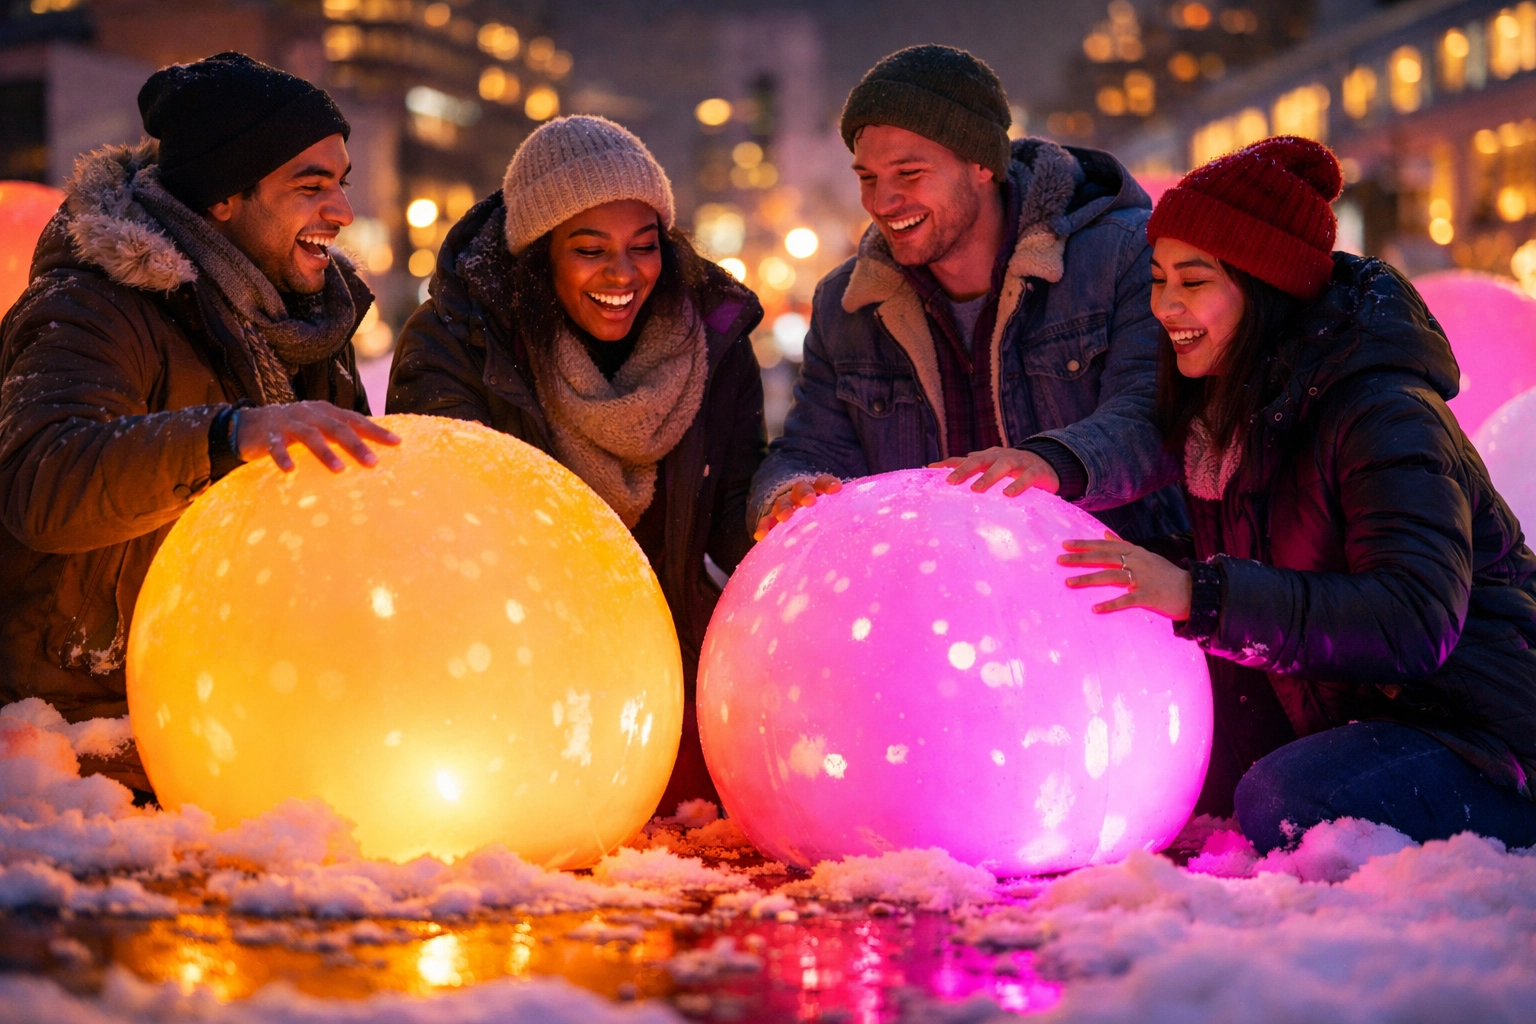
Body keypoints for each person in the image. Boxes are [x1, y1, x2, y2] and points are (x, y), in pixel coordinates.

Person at [1059, 136, 1536, 853]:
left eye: (1194, 281)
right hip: (1368, 708)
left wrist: (1200, 595)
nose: (1166, 307)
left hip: (1486, 732)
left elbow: (1413, 617)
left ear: (1266, 288)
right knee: (1175, 762)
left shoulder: (1382, 411)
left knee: (1284, 797)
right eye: (1157, 281)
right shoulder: (1231, 412)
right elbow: (1280, 550)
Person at [0, 52, 398, 794]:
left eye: (341, 183)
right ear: (222, 197)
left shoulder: (310, 326)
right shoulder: (90, 306)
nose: (341, 211)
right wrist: (228, 435)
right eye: (310, 187)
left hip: (242, 720)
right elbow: (42, 481)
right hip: (82, 741)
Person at [388, 116, 765, 815]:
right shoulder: (458, 346)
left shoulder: (712, 346)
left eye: (644, 247)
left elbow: (736, 515)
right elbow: (439, 532)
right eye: (590, 250)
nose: (623, 274)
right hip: (500, 697)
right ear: (538, 255)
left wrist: (786, 511)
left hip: (670, 698)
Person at [750, 44, 1184, 542]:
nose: (882, 201)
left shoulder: (1119, 256)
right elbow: (808, 449)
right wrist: (790, 490)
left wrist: (1049, 462)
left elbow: (1157, 415)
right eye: (868, 178)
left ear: (982, 164)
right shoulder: (846, 305)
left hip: (1103, 595)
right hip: (935, 601)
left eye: (909, 173)